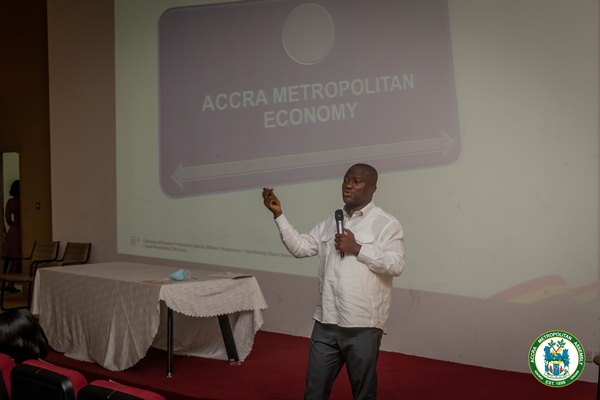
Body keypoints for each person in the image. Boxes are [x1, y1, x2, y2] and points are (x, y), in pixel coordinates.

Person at [262, 163, 405, 400]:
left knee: (363, 394)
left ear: (372, 188)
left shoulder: (387, 224)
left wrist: (357, 248)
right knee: (314, 393)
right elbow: (300, 248)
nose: (348, 185)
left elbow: (396, 264)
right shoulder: (332, 220)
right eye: (346, 179)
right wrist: (279, 215)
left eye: (356, 181)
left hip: (362, 324)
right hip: (327, 321)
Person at [2, 180, 21, 293]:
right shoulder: (24, 201)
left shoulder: (10, 202)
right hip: (22, 229)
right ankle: (10, 283)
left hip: (13, 230)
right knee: (17, 259)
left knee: (9, 258)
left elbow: (8, 218)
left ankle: (7, 282)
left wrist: (13, 225)